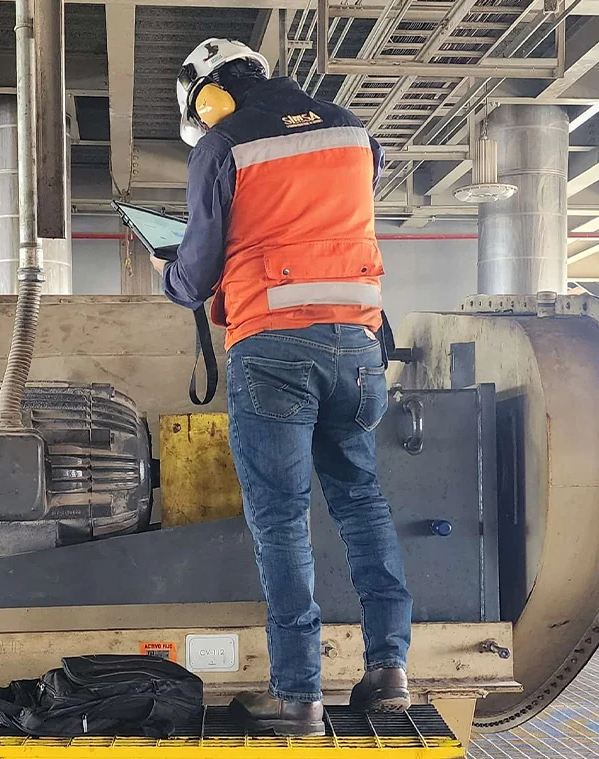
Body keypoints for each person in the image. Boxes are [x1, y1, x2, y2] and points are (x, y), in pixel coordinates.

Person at [152, 38, 413, 737]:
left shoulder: (223, 143)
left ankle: (299, 695)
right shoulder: (356, 133)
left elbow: (199, 272)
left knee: (281, 521)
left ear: (208, 98)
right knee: (363, 503)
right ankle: (390, 669)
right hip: (357, 347)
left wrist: (167, 271)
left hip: (273, 351)